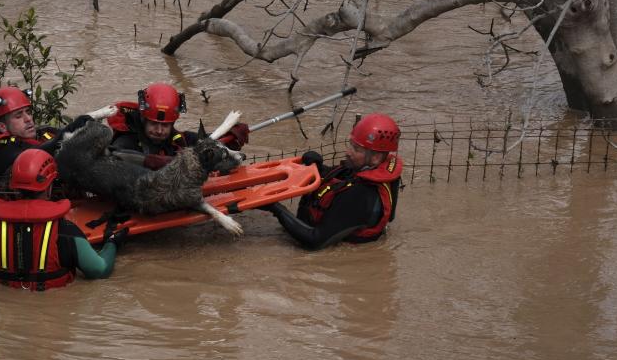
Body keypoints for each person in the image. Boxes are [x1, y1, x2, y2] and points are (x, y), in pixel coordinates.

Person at [0, 149, 125, 290]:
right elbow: (99, 270)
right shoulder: (67, 231)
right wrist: (112, 244)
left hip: (7, 312)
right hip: (51, 311)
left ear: (13, 184)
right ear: (50, 186)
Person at [264, 113, 404, 250]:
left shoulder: (360, 195)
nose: (347, 152)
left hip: (332, 245)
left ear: (375, 157)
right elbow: (338, 181)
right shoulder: (363, 168)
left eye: (356, 149)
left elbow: (315, 241)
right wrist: (318, 167)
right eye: (350, 144)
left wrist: (276, 208)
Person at [0, 86, 97, 192]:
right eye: (18, 116)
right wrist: (70, 129)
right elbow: (34, 155)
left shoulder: (43, 133)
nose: (28, 119)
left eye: (28, 112)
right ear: (2, 127)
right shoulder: (1, 154)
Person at [108, 82, 250, 170]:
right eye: (153, 123)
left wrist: (231, 137)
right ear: (143, 119)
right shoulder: (125, 142)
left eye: (165, 125)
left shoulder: (178, 138)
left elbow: (207, 142)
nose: (159, 130)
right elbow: (115, 162)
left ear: (173, 123)